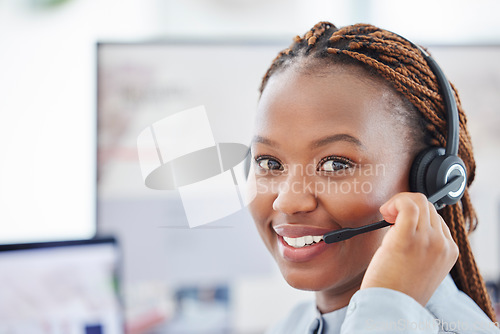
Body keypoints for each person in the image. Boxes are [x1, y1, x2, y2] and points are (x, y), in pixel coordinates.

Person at [246, 22, 500, 333]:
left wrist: (388, 306)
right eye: (269, 162)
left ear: (431, 182)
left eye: (336, 164)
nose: (289, 200)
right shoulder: (290, 325)